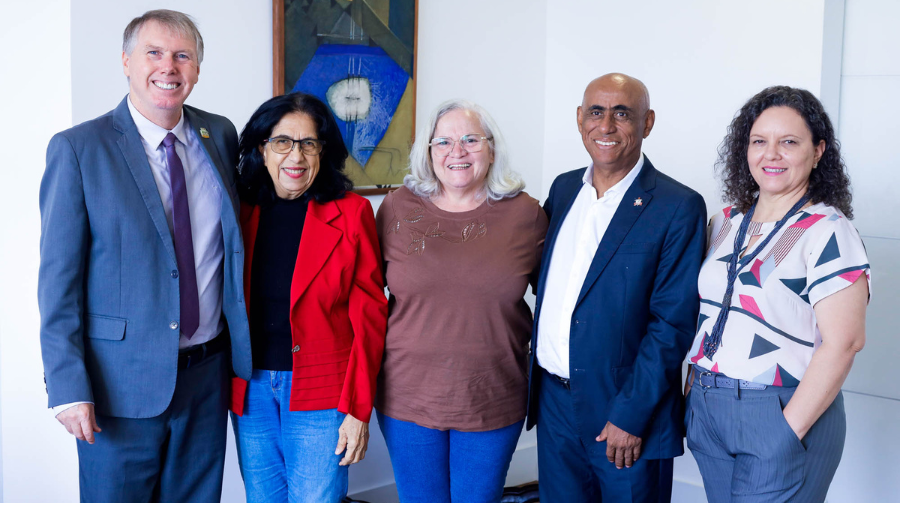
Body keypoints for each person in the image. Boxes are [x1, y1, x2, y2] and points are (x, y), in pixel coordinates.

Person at [38, 10, 251, 502]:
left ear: (197, 69)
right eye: (153, 53)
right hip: (118, 386)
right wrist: (68, 387)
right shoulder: (78, 149)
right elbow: (57, 283)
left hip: (207, 379)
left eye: (182, 55)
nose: (168, 67)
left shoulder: (219, 135)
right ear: (126, 62)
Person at [684, 86, 870, 503]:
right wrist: (694, 394)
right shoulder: (725, 221)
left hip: (780, 410)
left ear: (818, 151)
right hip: (708, 408)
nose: (771, 154)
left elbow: (844, 343)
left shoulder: (828, 230)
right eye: (759, 141)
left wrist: (788, 430)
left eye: (789, 142)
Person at [527, 73, 707, 503]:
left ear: (648, 123)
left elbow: (673, 324)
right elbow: (556, 284)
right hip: (555, 404)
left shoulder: (678, 205)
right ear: (579, 118)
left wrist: (631, 415)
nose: (606, 126)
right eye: (596, 112)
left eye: (622, 114)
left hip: (626, 413)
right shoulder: (564, 188)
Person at [374, 99, 548, 502]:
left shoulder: (527, 215)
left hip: (493, 394)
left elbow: (559, 303)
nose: (457, 151)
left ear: (492, 149)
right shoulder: (397, 208)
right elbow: (365, 296)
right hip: (407, 396)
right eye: (443, 142)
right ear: (428, 151)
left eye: (471, 139)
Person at [228, 92, 387, 503]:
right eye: (283, 142)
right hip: (251, 391)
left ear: (322, 151)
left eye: (308, 143)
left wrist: (358, 408)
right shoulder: (239, 211)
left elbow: (370, 316)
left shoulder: (352, 213)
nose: (295, 156)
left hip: (322, 392)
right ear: (262, 149)